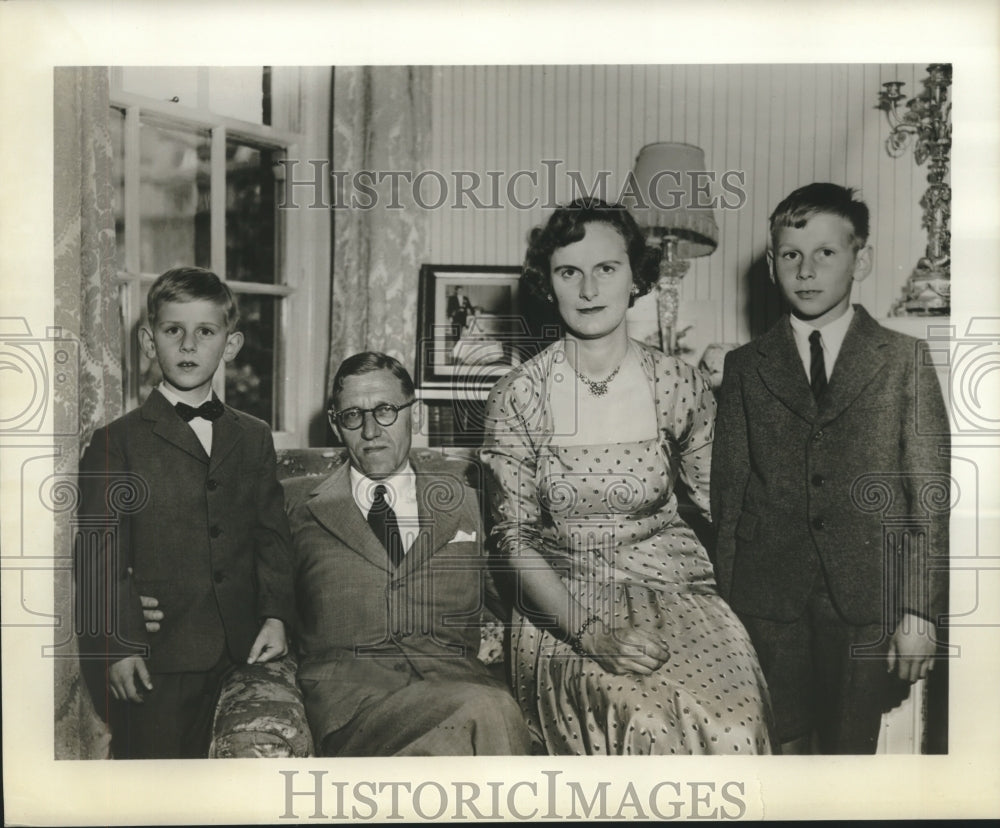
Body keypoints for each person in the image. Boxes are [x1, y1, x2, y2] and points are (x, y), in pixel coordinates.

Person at [481, 198, 774, 755]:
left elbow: (731, 509)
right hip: (566, 607)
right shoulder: (517, 396)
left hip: (681, 591)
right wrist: (593, 635)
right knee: (644, 723)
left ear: (635, 277)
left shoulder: (676, 383)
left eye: (606, 269)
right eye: (569, 271)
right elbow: (511, 541)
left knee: (736, 727)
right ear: (548, 284)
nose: (589, 289)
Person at [711, 183, 950, 754]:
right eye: (791, 254)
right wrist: (728, 606)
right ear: (771, 265)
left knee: (850, 752)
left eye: (826, 253)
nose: (807, 269)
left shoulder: (903, 361)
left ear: (860, 259)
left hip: (868, 602)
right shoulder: (746, 366)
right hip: (767, 603)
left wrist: (918, 610)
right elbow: (729, 495)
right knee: (779, 748)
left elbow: (929, 498)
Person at [76, 266, 294, 759]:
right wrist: (118, 644)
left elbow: (271, 535)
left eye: (206, 332)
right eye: (174, 331)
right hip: (158, 658)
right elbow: (97, 556)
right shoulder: (118, 442)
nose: (189, 346)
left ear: (231, 345)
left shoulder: (253, 434)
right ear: (149, 342)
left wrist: (277, 614)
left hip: (241, 649)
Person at [287, 352, 531, 756]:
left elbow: (518, 603)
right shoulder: (295, 507)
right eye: (352, 416)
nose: (370, 430)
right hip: (356, 714)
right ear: (335, 424)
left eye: (385, 410)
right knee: (489, 710)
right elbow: (246, 598)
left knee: (457, 748)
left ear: (413, 415)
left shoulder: (468, 503)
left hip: (457, 693)